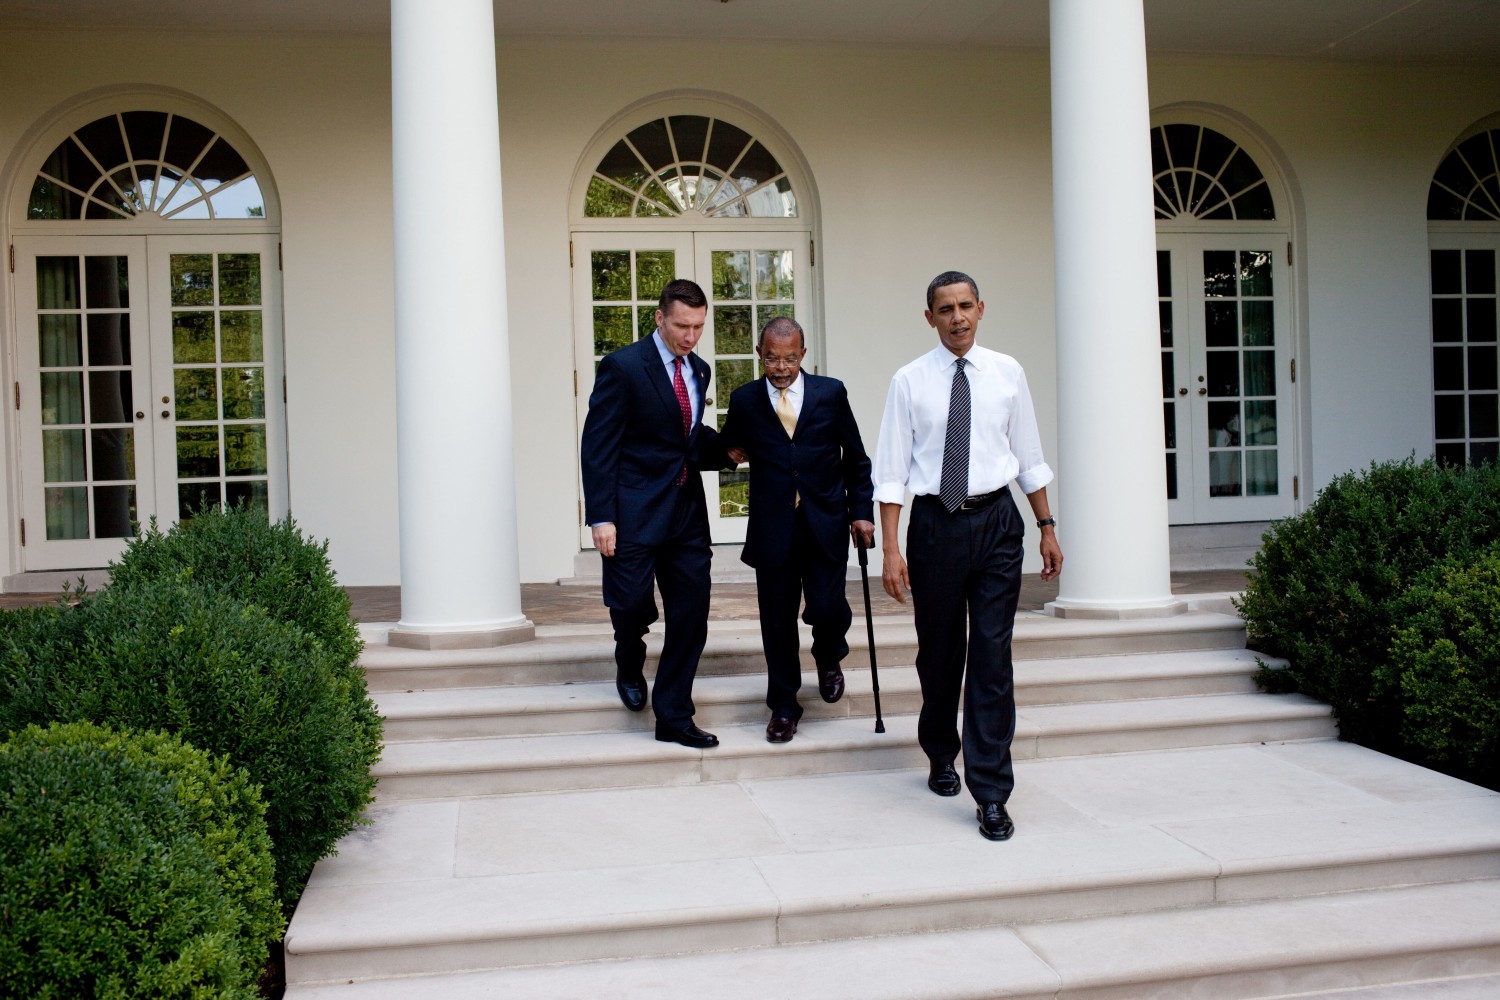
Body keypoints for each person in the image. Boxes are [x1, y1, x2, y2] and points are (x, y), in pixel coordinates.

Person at [872, 270, 1063, 841]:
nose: (956, 317)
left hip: (998, 523)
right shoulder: (909, 381)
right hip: (935, 526)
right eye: (944, 309)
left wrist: (1046, 526)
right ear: (928, 317)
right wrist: (891, 549)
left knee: (991, 658)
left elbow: (1028, 455)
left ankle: (992, 792)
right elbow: (891, 472)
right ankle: (939, 750)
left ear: (981, 309)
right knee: (940, 654)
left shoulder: (1008, 373)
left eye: (965, 306)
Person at [580, 278, 726, 749]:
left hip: (686, 514)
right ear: (659, 318)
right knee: (631, 606)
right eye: (682, 325)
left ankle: (674, 716)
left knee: (691, 615)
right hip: (633, 512)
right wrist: (601, 516)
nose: (690, 336)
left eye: (698, 327)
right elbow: (599, 445)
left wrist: (729, 450)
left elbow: (684, 439)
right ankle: (628, 657)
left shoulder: (699, 369)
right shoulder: (622, 367)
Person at [718, 317, 875, 744]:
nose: (781, 367)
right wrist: (719, 449)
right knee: (777, 623)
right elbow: (728, 448)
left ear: (803, 355)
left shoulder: (830, 393)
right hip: (773, 530)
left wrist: (862, 511)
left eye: (789, 358)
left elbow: (857, 460)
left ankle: (828, 655)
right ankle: (784, 707)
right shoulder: (746, 399)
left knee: (827, 607)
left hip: (824, 522)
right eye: (772, 358)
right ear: (759, 355)